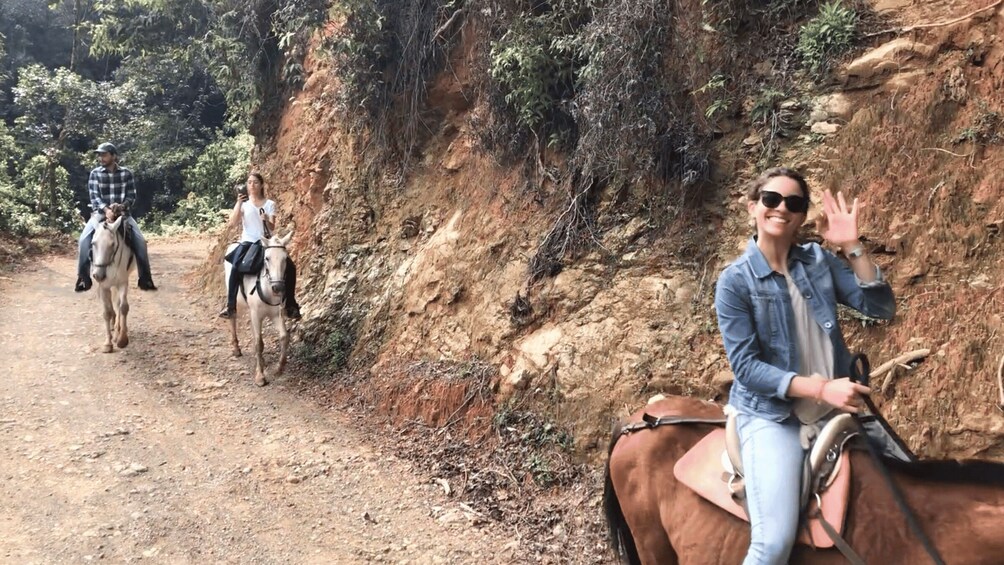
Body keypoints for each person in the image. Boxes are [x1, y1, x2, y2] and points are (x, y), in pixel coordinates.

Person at [714, 167, 895, 564]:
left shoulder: (816, 261)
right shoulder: (735, 282)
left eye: (794, 203)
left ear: (800, 216)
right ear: (752, 207)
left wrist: (852, 246)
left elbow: (880, 307)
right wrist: (821, 388)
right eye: (771, 199)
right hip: (775, 417)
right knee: (772, 544)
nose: (781, 208)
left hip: (835, 407)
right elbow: (746, 368)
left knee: (912, 482)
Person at [218, 172, 301, 320]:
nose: (252, 185)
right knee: (236, 267)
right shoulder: (244, 204)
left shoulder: (270, 204)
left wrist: (266, 220)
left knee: (290, 267)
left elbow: (272, 227)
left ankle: (290, 305)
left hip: (266, 242)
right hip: (248, 242)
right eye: (249, 182)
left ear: (261, 185)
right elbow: (232, 223)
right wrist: (238, 203)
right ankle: (231, 306)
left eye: (255, 182)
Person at [75, 142, 157, 292]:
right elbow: (94, 197)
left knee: (141, 242)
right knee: (83, 240)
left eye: (104, 154)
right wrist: (106, 210)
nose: (101, 158)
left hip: (123, 215)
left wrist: (122, 206)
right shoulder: (95, 173)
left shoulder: (126, 173)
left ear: (114, 156)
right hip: (100, 216)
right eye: (100, 155)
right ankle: (83, 278)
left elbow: (132, 195)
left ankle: (145, 278)